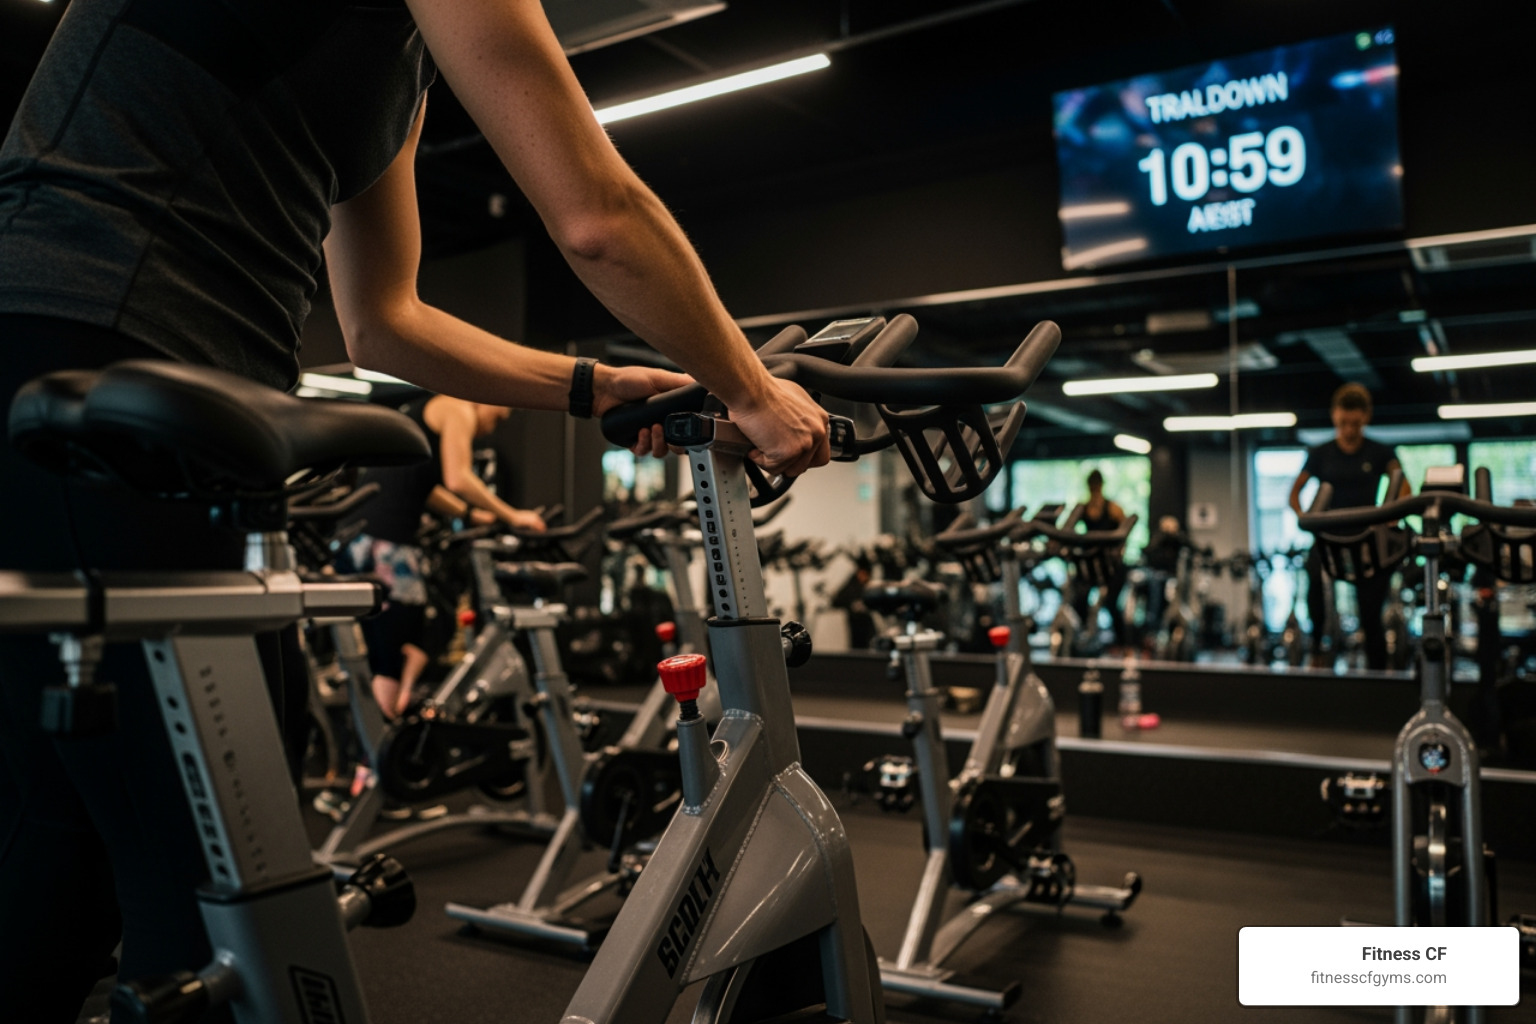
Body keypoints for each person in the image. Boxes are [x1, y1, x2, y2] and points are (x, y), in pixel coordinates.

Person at [0, 1, 831, 1019]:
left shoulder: (394, 60)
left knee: (63, 835)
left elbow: (382, 320)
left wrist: (592, 385)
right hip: (106, 358)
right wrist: (750, 384)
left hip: (131, 383)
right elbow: (598, 216)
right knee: (218, 867)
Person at [340, 396, 543, 722]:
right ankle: (379, 750)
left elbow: (427, 487)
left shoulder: (430, 413)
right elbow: (458, 478)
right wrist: (513, 515)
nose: (493, 427)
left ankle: (385, 730)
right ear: (485, 395)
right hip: (384, 544)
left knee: (400, 637)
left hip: (359, 536)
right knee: (390, 651)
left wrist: (470, 514)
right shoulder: (458, 407)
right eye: (499, 417)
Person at [1287, 383, 1406, 671]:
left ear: (1365, 417)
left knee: (1370, 613)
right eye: (1343, 423)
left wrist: (1391, 517)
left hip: (1367, 540)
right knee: (1313, 575)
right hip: (1329, 538)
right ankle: (1317, 647)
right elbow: (1294, 494)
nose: (1349, 430)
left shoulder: (1380, 452)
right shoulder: (1320, 453)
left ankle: (1377, 669)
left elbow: (1403, 486)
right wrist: (1307, 519)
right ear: (1334, 417)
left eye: (1354, 423)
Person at [1072, 468, 1129, 648]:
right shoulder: (1083, 508)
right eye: (1092, 485)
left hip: (1110, 564)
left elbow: (1124, 532)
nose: (1094, 488)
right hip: (1089, 562)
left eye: (1096, 485)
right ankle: (1080, 639)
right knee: (1079, 601)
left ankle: (1123, 644)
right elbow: (1068, 527)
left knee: (1111, 604)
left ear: (1101, 485)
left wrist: (1119, 551)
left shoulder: (1113, 508)